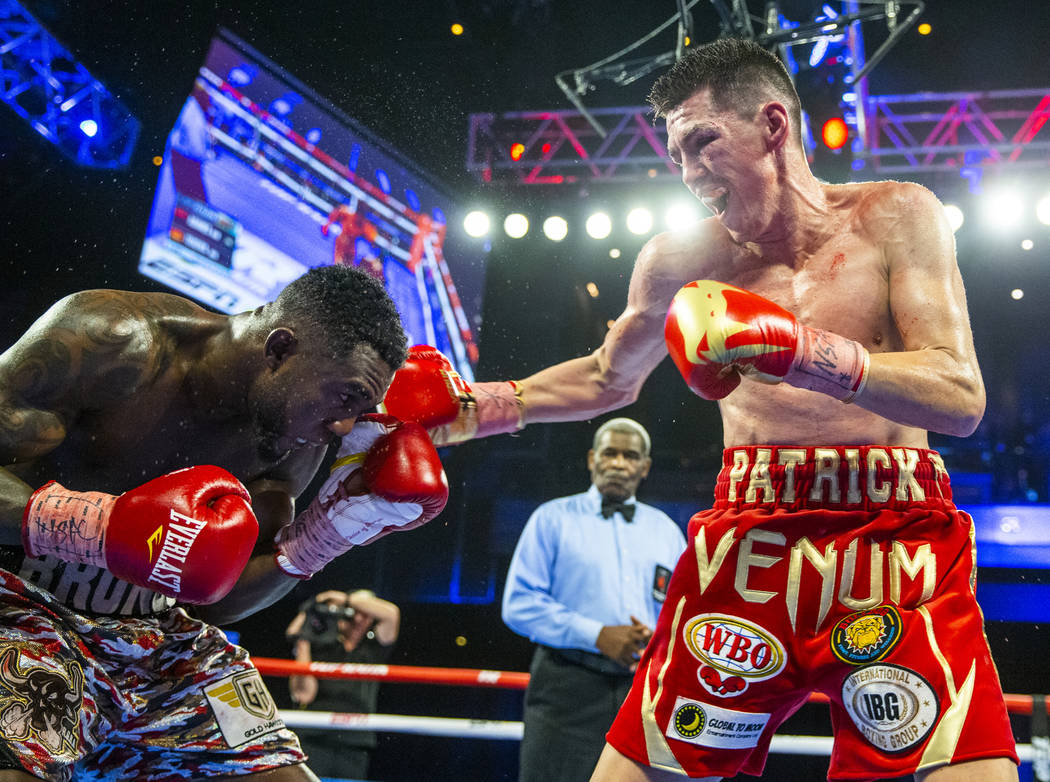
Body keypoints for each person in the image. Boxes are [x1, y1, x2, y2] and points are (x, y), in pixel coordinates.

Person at [381, 38, 1019, 782]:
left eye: (701, 143)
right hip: (749, 545)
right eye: (675, 154)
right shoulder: (680, 261)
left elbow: (959, 395)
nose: (687, 175)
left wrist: (802, 351)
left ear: (773, 126)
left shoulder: (896, 215)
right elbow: (606, 377)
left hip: (896, 539)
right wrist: (477, 407)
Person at [0, 265, 449, 780]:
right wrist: (96, 525)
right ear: (280, 349)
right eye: (345, 397)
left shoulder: (292, 440)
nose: (342, 426)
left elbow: (219, 601)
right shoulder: (116, 341)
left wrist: (323, 537)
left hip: (157, 636)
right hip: (18, 600)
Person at [502, 418, 686, 782]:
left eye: (630, 455)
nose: (618, 463)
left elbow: (681, 611)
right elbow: (519, 603)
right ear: (592, 459)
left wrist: (657, 641)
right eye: (610, 453)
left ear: (644, 466)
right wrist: (597, 633)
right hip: (567, 683)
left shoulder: (665, 530)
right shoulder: (552, 519)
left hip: (643, 688)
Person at [285, 589, 400, 780]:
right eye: (353, 612)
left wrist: (346, 599)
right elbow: (303, 694)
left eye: (365, 613)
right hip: (314, 737)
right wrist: (311, 614)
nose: (358, 619)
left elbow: (391, 614)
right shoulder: (321, 645)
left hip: (355, 743)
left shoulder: (373, 649)